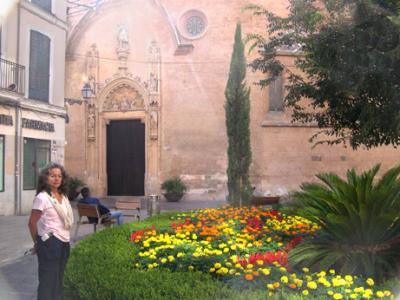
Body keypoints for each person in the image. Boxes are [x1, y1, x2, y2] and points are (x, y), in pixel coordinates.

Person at [28, 162, 74, 300]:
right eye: (52, 176)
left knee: (59, 279)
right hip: (49, 243)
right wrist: (37, 242)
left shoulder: (63, 196)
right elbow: (31, 223)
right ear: (45, 178)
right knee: (48, 281)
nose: (56, 179)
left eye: (59, 176)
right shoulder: (42, 198)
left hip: (64, 241)